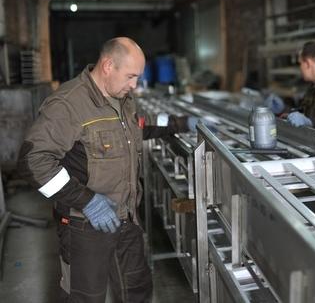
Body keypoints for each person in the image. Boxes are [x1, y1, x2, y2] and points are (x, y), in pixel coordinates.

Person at [18, 37, 209, 302]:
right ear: (108, 65)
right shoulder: (68, 104)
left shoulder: (122, 98)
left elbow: (142, 124)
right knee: (84, 296)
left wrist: (184, 122)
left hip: (126, 217)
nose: (134, 85)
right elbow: (34, 161)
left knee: (137, 291)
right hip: (83, 225)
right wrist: (87, 201)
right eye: (131, 76)